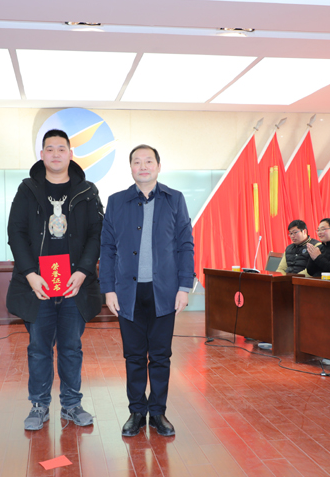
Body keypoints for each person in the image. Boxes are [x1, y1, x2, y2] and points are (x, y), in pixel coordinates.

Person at [6, 129, 103, 431]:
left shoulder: (87, 191)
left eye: (62, 148)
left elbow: (97, 235)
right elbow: (16, 233)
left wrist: (83, 271)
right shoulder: (27, 189)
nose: (56, 154)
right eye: (50, 149)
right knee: (39, 349)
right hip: (39, 286)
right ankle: (39, 405)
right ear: (42, 154)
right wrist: (30, 274)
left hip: (74, 284)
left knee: (71, 348)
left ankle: (72, 405)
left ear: (71, 154)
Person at [99, 144, 194, 438]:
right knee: (134, 355)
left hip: (164, 292)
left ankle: (158, 412)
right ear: (130, 168)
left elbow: (185, 245)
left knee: (161, 356)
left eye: (148, 161)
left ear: (158, 166)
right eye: (137, 162)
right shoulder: (116, 202)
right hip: (127, 293)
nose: (143, 166)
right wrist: (108, 289)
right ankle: (137, 412)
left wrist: (184, 286)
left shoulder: (175, 200)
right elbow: (107, 248)